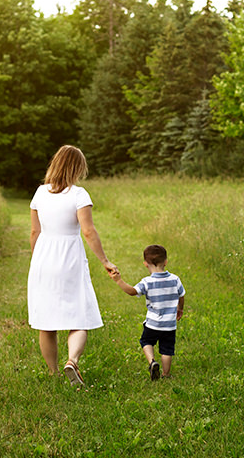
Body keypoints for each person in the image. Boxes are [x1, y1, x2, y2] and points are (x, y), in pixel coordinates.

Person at [27, 145, 118, 386]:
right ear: (78, 168)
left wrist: (37, 262)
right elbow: (88, 231)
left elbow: (35, 232)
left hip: (44, 258)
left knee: (46, 321)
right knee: (78, 315)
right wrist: (105, 261)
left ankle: (53, 373)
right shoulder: (78, 195)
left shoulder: (39, 193)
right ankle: (72, 361)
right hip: (69, 258)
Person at [110, 244, 185, 380]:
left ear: (145, 264)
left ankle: (152, 362)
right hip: (169, 325)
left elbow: (133, 292)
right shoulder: (175, 280)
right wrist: (180, 309)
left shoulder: (147, 282)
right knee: (167, 350)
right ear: (166, 261)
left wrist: (119, 281)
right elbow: (182, 295)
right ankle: (166, 374)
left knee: (146, 341)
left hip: (152, 324)